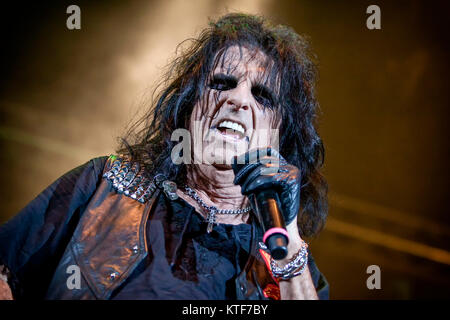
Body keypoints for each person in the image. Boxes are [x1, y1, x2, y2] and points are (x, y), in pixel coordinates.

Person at [0, 13, 329, 300]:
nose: (238, 100)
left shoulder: (293, 266)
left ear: (280, 134)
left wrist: (288, 237)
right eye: (221, 83)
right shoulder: (105, 186)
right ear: (188, 108)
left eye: (262, 95)